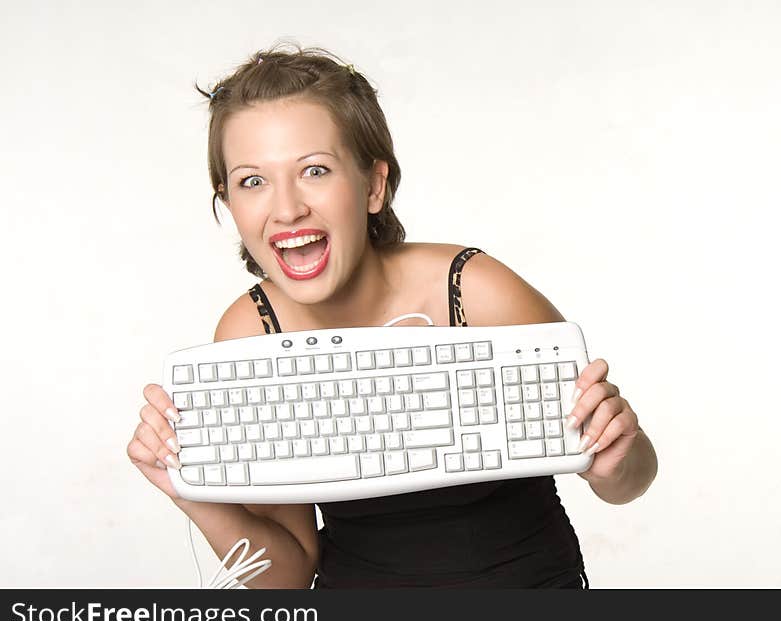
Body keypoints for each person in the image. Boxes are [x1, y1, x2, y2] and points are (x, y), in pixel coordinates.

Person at [126, 44, 658, 589]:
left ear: (373, 185)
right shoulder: (248, 335)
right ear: (230, 203)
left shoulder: (476, 292)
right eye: (252, 181)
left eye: (314, 170)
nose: (286, 208)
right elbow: (282, 578)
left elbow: (627, 479)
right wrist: (186, 488)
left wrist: (617, 458)